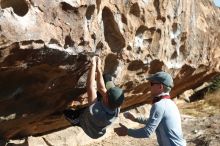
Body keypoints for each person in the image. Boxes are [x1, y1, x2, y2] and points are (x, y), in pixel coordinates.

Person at [114, 71, 186, 146]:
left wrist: (127, 131)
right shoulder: (170, 103)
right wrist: (135, 119)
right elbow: (155, 122)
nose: (149, 87)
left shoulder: (159, 105)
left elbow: (147, 132)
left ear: (160, 87)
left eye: (152, 84)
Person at [64, 56, 124, 139]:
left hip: (90, 129)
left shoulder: (96, 110)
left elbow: (90, 86)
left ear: (106, 98)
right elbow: (101, 88)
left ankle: (77, 119)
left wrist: (92, 66)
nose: (106, 90)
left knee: (66, 112)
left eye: (108, 92)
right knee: (107, 77)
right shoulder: (117, 105)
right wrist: (98, 68)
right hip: (101, 125)